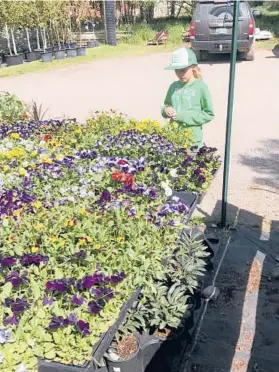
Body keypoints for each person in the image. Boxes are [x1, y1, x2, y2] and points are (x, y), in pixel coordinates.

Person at [162, 47, 214, 148]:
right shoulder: (173, 86)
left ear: (193, 67)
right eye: (176, 70)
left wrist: (182, 117)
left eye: (183, 70)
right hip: (174, 137)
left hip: (192, 139)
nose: (179, 73)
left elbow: (209, 114)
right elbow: (166, 104)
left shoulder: (201, 87)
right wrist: (166, 110)